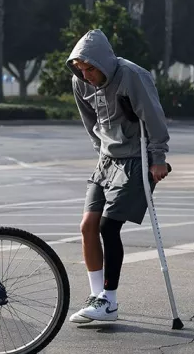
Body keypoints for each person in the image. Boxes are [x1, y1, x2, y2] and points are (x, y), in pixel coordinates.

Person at [65, 29, 171, 323]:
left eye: (90, 69)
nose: (86, 75)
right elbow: (90, 121)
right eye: (80, 69)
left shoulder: (131, 77)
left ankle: (109, 301)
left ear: (104, 63)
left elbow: (154, 117)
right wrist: (100, 150)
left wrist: (158, 158)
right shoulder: (80, 82)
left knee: (108, 226)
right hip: (107, 159)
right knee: (88, 225)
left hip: (137, 159)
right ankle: (97, 297)